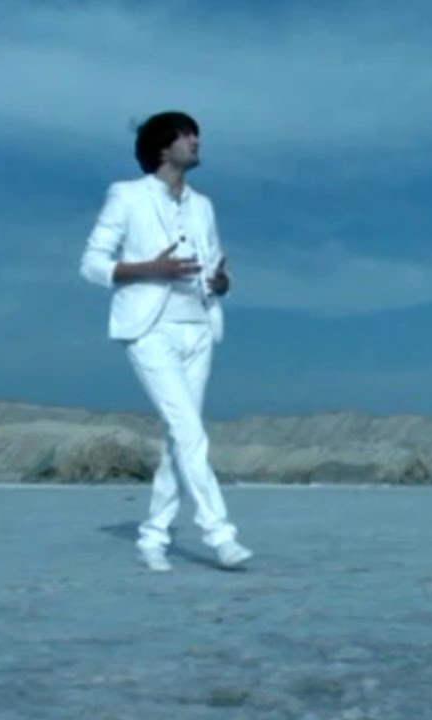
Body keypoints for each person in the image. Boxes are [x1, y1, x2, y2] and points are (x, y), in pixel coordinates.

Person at [79, 110, 252, 572]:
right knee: (189, 431)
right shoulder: (127, 196)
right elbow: (92, 264)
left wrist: (222, 283)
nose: (196, 141)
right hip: (150, 329)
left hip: (199, 328)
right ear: (162, 146)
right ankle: (221, 535)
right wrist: (150, 269)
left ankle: (153, 536)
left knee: (180, 439)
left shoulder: (203, 206)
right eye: (186, 134)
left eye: (197, 134)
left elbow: (216, 266)